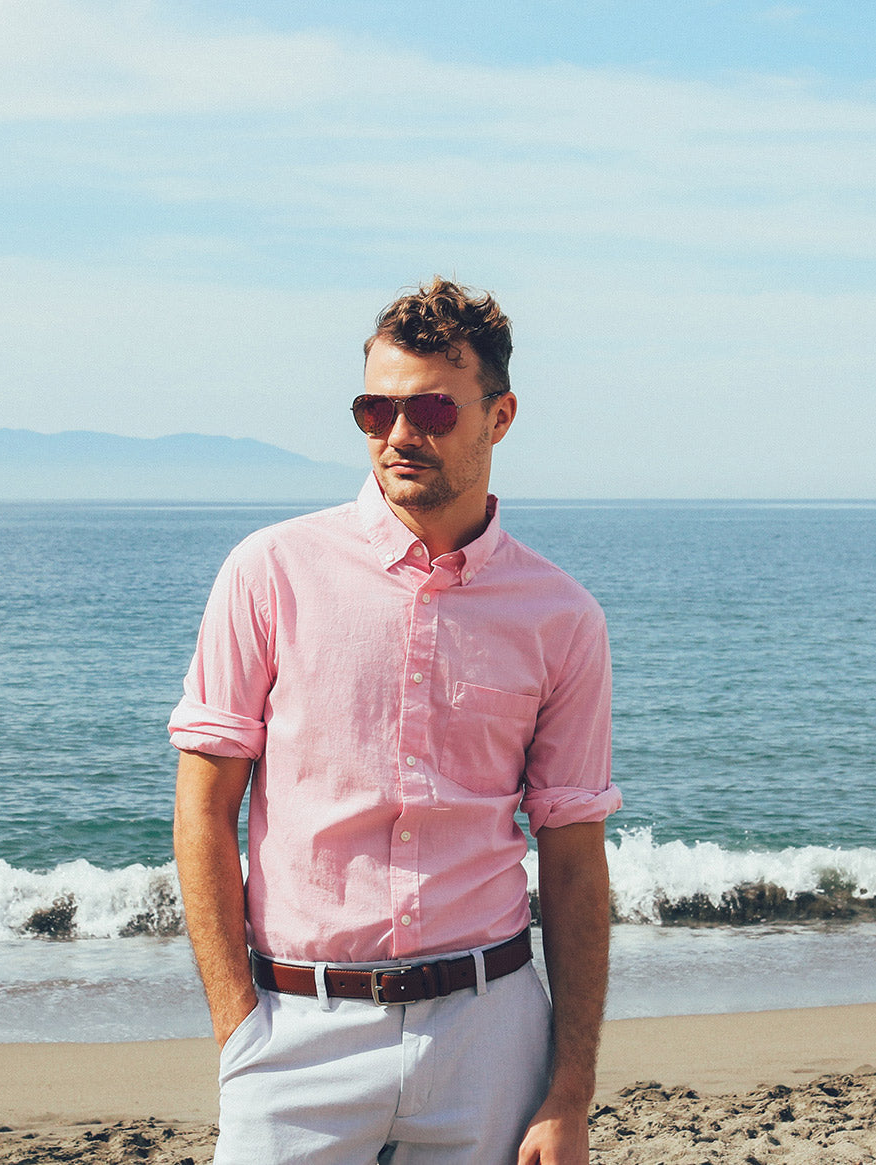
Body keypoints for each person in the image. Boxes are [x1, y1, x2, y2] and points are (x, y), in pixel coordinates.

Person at [169, 276, 622, 1165]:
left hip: (488, 1036)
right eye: (375, 409)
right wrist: (237, 1028)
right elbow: (203, 807)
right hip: (294, 1033)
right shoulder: (269, 572)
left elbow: (572, 855)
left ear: (499, 417)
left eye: (432, 410)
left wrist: (568, 1091)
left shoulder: (561, 616)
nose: (399, 434)